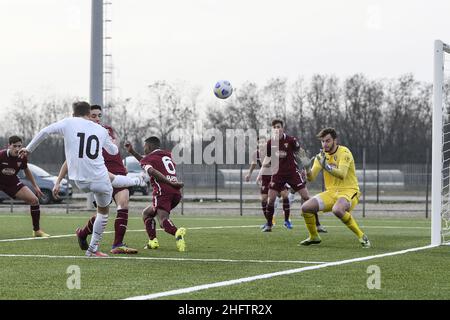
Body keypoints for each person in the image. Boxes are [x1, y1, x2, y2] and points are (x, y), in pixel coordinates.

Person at [19, 101, 118, 257]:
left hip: (79, 181)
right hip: (100, 180)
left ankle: (90, 245)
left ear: (74, 113)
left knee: (109, 187)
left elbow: (45, 132)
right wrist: (111, 141)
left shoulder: (68, 122)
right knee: (103, 213)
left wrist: (28, 149)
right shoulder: (101, 130)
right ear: (88, 113)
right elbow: (113, 151)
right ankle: (92, 249)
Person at [52, 104, 143, 254]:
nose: (97, 118)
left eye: (99, 115)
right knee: (101, 213)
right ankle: (83, 233)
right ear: (87, 116)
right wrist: (58, 181)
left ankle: (117, 244)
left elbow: (114, 149)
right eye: (93, 115)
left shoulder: (105, 131)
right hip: (99, 176)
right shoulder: (79, 132)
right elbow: (70, 160)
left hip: (118, 172)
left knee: (123, 204)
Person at [298, 127, 370, 248]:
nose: (324, 144)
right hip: (331, 193)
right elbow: (311, 178)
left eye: (327, 141)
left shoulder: (345, 152)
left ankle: (361, 236)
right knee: (305, 208)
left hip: (349, 191)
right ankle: (314, 236)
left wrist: (326, 166)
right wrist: (307, 168)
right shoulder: (320, 157)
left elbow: (342, 174)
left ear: (335, 140)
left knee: (337, 210)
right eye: (322, 141)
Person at [125, 137, 186, 252]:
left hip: (163, 192)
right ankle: (153, 242)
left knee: (163, 221)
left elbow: (151, 170)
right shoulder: (167, 155)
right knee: (147, 213)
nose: (144, 149)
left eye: (145, 146)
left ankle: (177, 232)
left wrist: (169, 183)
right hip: (175, 193)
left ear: (149, 146)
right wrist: (132, 152)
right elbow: (146, 160)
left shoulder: (149, 158)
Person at [258, 119, 315, 233]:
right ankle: (269, 225)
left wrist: (305, 164)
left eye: (278, 127)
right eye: (274, 127)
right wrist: (260, 173)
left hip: (292, 173)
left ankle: (316, 224)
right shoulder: (270, 143)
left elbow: (300, 152)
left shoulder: (291, 140)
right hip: (277, 174)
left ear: (282, 128)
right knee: (271, 199)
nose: (276, 129)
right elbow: (268, 157)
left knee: (306, 197)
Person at [0, 136, 50, 237]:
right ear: (9, 146)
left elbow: (26, 170)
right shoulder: (1, 155)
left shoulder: (22, 157)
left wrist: (35, 186)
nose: (17, 149)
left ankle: (37, 231)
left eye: (19, 146)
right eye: (14, 146)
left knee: (34, 200)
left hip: (12, 182)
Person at [246, 136, 292, 229]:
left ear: (267, 143)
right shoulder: (256, 154)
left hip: (276, 176)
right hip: (265, 179)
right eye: (260, 142)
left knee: (285, 195)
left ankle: (287, 220)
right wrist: (249, 174)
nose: (262, 144)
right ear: (257, 144)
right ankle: (269, 222)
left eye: (264, 142)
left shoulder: (272, 152)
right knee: (263, 199)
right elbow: (253, 164)